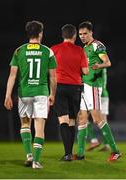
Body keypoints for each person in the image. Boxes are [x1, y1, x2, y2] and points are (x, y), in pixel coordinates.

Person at [4, 20, 57, 169]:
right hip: (41, 93)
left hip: (24, 93)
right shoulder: (48, 51)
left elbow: (12, 76)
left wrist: (8, 95)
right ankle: (36, 161)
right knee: (39, 127)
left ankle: (28, 155)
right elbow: (53, 77)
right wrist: (52, 94)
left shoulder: (19, 51)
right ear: (40, 34)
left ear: (28, 34)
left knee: (25, 124)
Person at [74, 21, 121, 161]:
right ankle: (81, 153)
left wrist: (98, 65)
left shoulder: (97, 45)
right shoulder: (84, 47)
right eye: (80, 34)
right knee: (82, 118)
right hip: (84, 86)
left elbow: (108, 62)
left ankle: (115, 151)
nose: (82, 36)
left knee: (97, 118)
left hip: (93, 86)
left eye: (85, 34)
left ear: (91, 33)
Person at [51, 24, 88, 161]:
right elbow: (85, 71)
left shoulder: (54, 49)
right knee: (72, 121)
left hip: (59, 86)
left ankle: (67, 154)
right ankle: (69, 153)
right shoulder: (79, 50)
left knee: (63, 120)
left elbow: (48, 70)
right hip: (75, 87)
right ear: (74, 36)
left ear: (63, 35)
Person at [87, 68, 110, 151]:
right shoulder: (103, 65)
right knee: (104, 120)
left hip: (96, 93)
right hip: (104, 94)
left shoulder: (94, 64)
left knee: (83, 116)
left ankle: (93, 140)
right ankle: (107, 144)